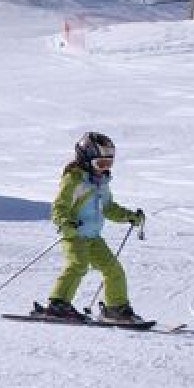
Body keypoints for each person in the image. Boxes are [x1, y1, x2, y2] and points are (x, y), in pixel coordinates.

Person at [39, 132, 145, 322]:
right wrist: (65, 222)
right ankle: (57, 304)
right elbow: (59, 207)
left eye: (108, 164)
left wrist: (129, 216)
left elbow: (109, 208)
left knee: (113, 269)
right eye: (100, 164)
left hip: (94, 238)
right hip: (74, 234)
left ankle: (115, 308)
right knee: (78, 265)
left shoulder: (102, 183)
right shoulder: (73, 180)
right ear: (86, 160)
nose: (103, 169)